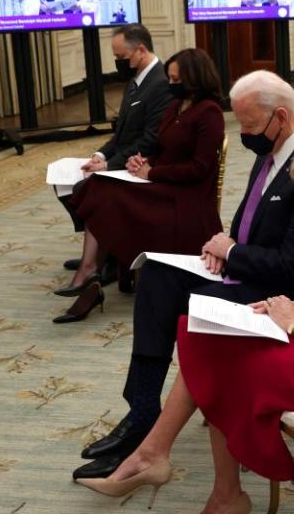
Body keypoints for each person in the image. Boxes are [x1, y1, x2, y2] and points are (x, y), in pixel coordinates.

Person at [74, 127, 294, 514]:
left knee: (225, 365)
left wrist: (290, 322)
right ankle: (164, 461)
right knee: (208, 336)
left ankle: (210, 487)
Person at [71, 71, 294, 480]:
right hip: (247, 270)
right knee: (158, 276)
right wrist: (224, 241)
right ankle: (142, 411)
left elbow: (293, 265)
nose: (246, 135)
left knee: (198, 313)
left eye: (250, 127)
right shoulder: (271, 152)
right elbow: (254, 221)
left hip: (281, 295)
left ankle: (153, 445)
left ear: (281, 117)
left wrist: (232, 251)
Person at [51, 49, 226, 324]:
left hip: (184, 195)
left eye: (176, 79)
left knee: (104, 193)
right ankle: (92, 268)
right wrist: (140, 161)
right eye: (169, 78)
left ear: (195, 79)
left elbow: (199, 168)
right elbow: (162, 147)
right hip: (161, 182)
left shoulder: (209, 113)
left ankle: (91, 269)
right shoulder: (176, 105)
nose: (171, 84)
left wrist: (152, 172)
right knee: (96, 185)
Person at [55, 24, 172, 291]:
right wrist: (100, 155)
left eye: (121, 58)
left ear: (141, 50)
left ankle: (100, 260)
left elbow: (149, 140)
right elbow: (121, 132)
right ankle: (101, 253)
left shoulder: (160, 83)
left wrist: (109, 165)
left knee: (88, 188)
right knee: (65, 184)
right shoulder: (137, 79)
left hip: (142, 165)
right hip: (123, 158)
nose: (118, 63)